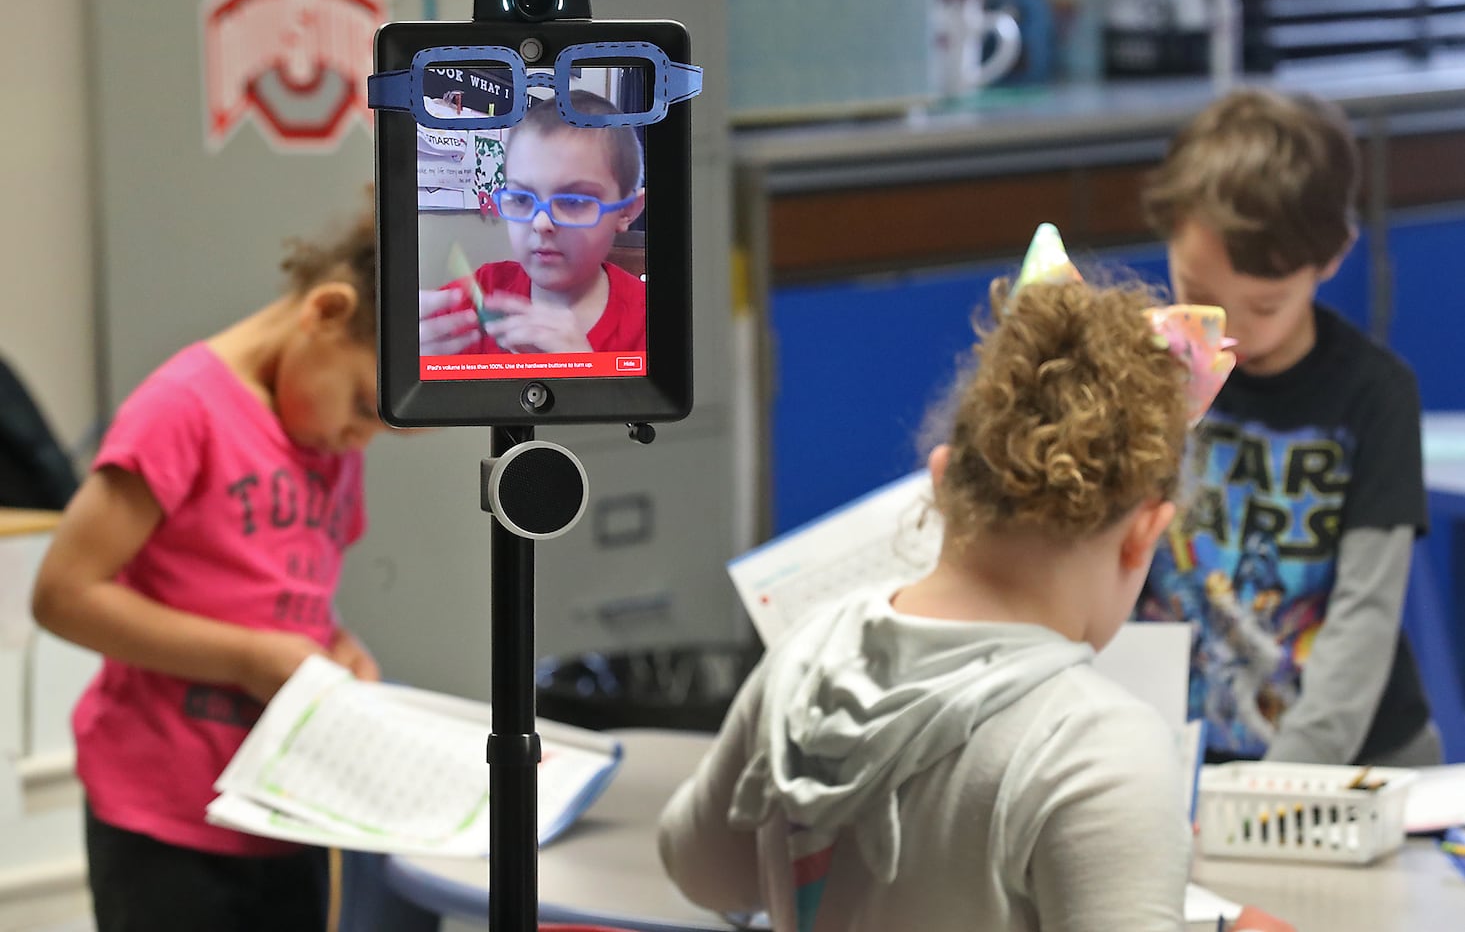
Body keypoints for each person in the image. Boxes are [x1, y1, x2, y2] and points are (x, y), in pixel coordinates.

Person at [658, 235, 1228, 931]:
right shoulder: (1097, 749)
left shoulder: (806, 657)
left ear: (941, 479)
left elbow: (702, 870)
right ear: (1145, 532)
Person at [31, 192, 387, 932]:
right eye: (359, 403)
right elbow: (64, 593)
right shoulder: (183, 408)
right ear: (324, 313)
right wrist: (247, 659)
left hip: (282, 812)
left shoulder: (324, 438)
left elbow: (289, 590)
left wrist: (339, 647)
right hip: (164, 820)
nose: (360, 439)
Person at [1135, 87, 1440, 767]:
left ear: (1329, 260)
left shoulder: (1373, 397)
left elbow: (1362, 618)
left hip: (1353, 765)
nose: (1225, 328)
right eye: (1197, 291)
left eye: (1262, 305)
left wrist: (1282, 786)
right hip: (1183, 761)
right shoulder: (1147, 370)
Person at [418, 90, 646, 356]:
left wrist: (584, 370)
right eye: (521, 198)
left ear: (626, 211)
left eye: (573, 201)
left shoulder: (653, 323)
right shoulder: (474, 299)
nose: (540, 223)